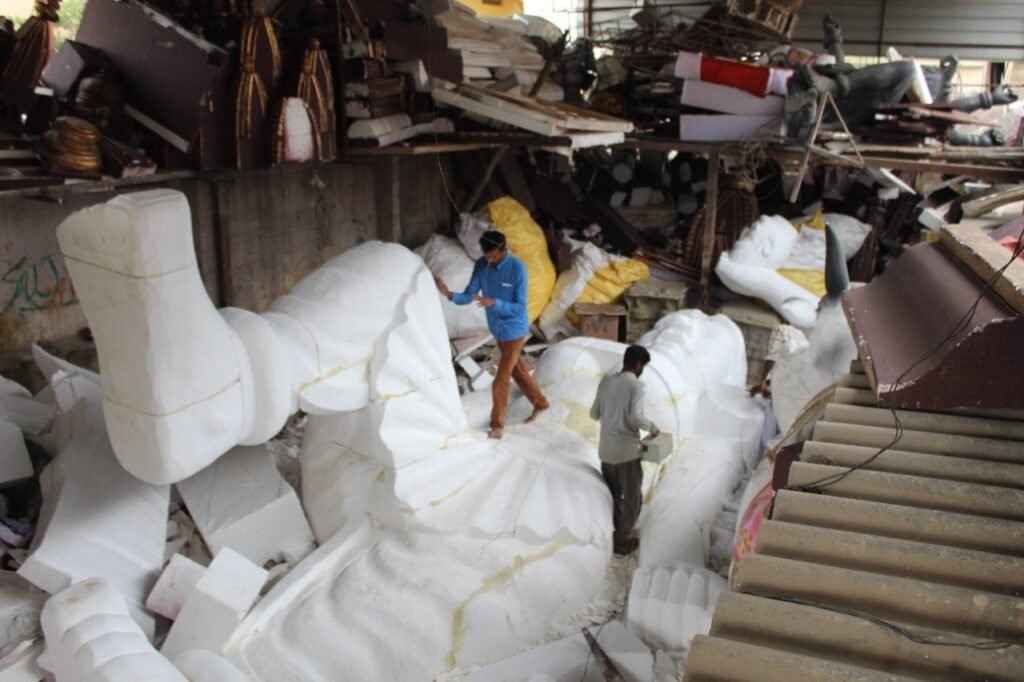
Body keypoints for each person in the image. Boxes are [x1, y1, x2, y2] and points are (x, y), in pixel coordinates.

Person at [434, 230, 549, 440]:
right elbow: (469, 295)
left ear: (504, 250)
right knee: (518, 371)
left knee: (502, 378)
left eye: (494, 256)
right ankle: (541, 403)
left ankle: (497, 425)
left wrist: (494, 302)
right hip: (497, 329)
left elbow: (519, 307)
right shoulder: (482, 265)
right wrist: (449, 294)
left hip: (514, 329)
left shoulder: (517, 268)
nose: (490, 261)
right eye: (487, 257)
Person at [589, 345, 659, 556]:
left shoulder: (606, 381)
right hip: (626, 453)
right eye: (643, 366)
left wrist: (611, 416)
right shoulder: (637, 386)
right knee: (632, 497)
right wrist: (653, 428)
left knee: (613, 496)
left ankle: (614, 532)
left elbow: (594, 413)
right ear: (638, 365)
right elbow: (635, 417)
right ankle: (623, 540)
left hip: (606, 452)